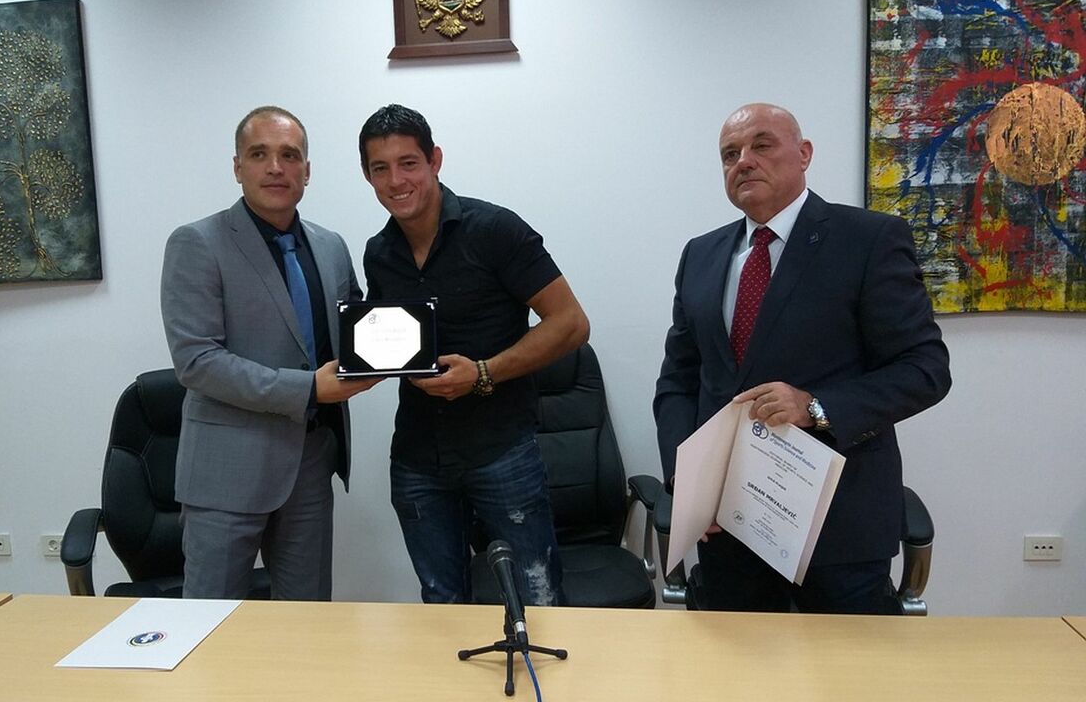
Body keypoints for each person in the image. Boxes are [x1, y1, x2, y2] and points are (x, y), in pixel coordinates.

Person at [653, 103, 951, 614]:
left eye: (761, 145)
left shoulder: (868, 239)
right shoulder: (701, 255)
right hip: (728, 526)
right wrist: (689, 482)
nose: (744, 161)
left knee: (847, 667)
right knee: (732, 666)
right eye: (729, 154)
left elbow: (924, 369)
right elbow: (679, 380)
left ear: (804, 154)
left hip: (839, 525)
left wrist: (815, 406)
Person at [358, 104, 590, 606]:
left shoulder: (495, 229)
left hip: (501, 451)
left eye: (408, 163)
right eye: (381, 168)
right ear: (367, 176)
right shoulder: (378, 253)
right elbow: (390, 343)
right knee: (442, 606)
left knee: (537, 602)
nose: (396, 180)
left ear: (435, 160)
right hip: (418, 459)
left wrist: (483, 372)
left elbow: (571, 323)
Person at [160, 106, 379, 600]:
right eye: (259, 155)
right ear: (237, 167)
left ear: (307, 170)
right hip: (226, 472)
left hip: (310, 464)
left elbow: (357, 333)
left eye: (289, 155)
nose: (276, 168)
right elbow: (197, 361)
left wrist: (405, 347)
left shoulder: (330, 246)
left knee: (307, 622)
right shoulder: (197, 243)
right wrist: (309, 388)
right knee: (211, 623)